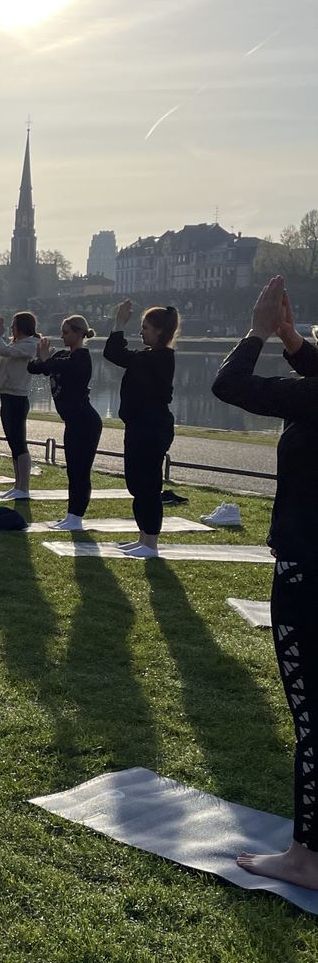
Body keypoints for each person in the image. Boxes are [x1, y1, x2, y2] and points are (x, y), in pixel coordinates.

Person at [210, 276, 318, 890]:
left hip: (308, 575)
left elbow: (229, 386)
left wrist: (256, 334)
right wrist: (294, 342)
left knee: (312, 720)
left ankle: (308, 857)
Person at [103, 300, 179, 556]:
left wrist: (119, 324)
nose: (142, 332)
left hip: (151, 426)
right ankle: (143, 537)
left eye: (145, 327)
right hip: (139, 425)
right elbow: (119, 355)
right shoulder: (149, 357)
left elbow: (115, 353)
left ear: (159, 331)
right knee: (137, 484)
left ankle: (151, 543)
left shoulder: (159, 358)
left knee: (148, 485)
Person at [28, 316, 102, 530]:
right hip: (72, 422)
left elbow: (59, 366)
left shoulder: (81, 358)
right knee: (72, 470)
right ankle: (71, 516)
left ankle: (76, 518)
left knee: (81, 471)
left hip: (86, 422)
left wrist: (45, 358)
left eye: (66, 332)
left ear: (79, 334)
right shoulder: (61, 356)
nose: (62, 336)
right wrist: (39, 355)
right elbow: (34, 369)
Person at [0, 311, 41, 499]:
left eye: (13, 325)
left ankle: (24, 487)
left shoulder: (31, 345)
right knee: (12, 443)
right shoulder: (14, 343)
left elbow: (6, 351)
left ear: (21, 327)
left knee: (19, 442)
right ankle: (17, 484)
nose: (11, 329)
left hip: (18, 398)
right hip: (6, 396)